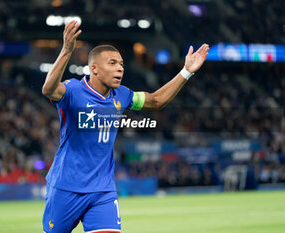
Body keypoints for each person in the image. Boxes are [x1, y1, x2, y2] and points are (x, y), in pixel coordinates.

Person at [41, 21, 209, 233]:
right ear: (94, 68)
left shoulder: (122, 95)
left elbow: (156, 101)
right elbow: (48, 89)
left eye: (121, 63)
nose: (120, 67)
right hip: (66, 187)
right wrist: (66, 50)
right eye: (112, 63)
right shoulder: (73, 90)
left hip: (102, 191)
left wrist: (186, 71)